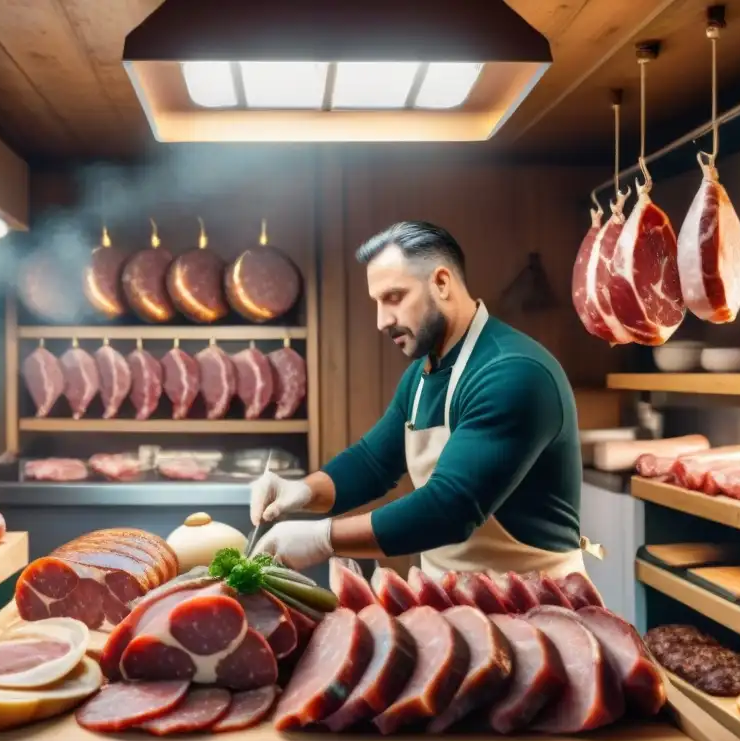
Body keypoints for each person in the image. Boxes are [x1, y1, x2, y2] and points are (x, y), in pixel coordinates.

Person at [251, 220, 599, 577]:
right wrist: (302, 491)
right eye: (377, 302)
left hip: (536, 607)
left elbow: (450, 509)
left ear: (442, 283)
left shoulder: (514, 372)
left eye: (394, 297)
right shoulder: (423, 373)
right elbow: (373, 463)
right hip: (452, 606)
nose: (382, 321)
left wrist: (322, 538)